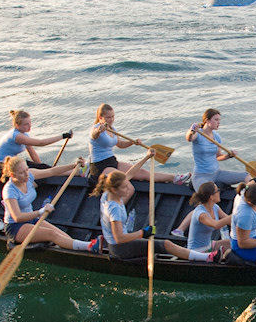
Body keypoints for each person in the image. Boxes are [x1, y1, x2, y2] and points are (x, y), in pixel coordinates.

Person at [91, 148, 219, 263]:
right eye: (124, 187)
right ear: (114, 189)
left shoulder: (107, 194)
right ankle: (207, 257)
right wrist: (143, 233)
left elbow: (130, 174)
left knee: (160, 244)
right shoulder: (114, 208)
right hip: (121, 248)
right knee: (166, 244)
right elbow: (119, 238)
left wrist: (147, 157)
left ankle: (195, 255)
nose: (127, 189)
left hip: (122, 243)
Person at [171, 109, 249, 237]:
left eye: (219, 120)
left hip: (217, 173)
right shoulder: (198, 134)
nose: (219, 122)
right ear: (207, 120)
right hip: (201, 176)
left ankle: (247, 203)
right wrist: (192, 130)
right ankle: (180, 229)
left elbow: (218, 157)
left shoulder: (216, 137)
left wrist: (228, 156)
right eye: (216, 120)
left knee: (246, 176)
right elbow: (189, 138)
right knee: (207, 202)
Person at [0, 155, 102, 252]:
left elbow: (51, 171)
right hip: (16, 227)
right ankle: (90, 246)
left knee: (63, 235)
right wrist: (40, 212)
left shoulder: (29, 175)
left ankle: (84, 247)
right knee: (52, 234)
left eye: (26, 169)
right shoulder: (9, 191)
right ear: (13, 175)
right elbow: (17, 217)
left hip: (32, 220)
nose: (26, 174)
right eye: (22, 173)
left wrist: (73, 165)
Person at [88, 103, 190, 198]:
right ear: (100, 117)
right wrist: (99, 130)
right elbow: (94, 135)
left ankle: (175, 178)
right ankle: (118, 209)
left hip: (112, 161)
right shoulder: (95, 128)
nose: (111, 119)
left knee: (143, 173)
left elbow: (120, 144)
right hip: (100, 167)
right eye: (108, 117)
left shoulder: (112, 129)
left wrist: (132, 142)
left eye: (113, 116)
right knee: (129, 188)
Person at [0, 110, 72, 182]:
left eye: (30, 123)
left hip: (10, 163)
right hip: (0, 166)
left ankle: (73, 171)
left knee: (43, 169)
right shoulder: (17, 136)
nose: (29, 126)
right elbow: (41, 143)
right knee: (40, 172)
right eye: (26, 124)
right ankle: (75, 172)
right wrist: (63, 136)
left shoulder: (24, 134)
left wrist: (41, 167)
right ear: (17, 125)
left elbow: (32, 154)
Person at [186, 182, 231, 253]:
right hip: (197, 251)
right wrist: (233, 216)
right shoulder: (201, 214)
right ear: (211, 197)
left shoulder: (215, 207)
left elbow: (230, 221)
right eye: (217, 190)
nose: (219, 192)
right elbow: (216, 225)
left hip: (209, 245)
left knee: (235, 243)